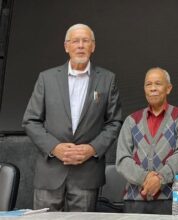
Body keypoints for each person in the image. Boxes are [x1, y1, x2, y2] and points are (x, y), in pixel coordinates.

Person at [22, 23, 122, 211]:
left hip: (86, 173)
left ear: (93, 46)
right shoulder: (47, 78)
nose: (81, 45)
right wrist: (55, 147)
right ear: (66, 46)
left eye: (86, 41)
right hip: (50, 171)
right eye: (75, 41)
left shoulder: (107, 80)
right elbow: (30, 120)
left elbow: (114, 122)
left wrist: (92, 149)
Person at [116, 67, 178, 214]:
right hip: (135, 199)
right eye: (148, 84)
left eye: (158, 83)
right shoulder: (132, 120)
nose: (153, 88)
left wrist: (160, 178)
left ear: (168, 88)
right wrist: (146, 178)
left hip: (170, 199)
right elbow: (122, 159)